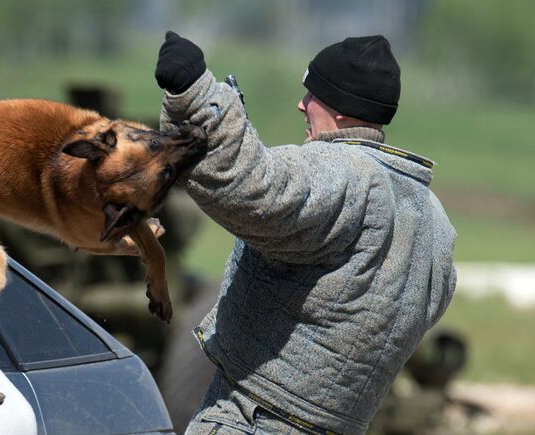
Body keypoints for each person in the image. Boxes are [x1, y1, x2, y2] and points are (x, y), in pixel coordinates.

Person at [154, 32, 457, 435]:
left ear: (343, 108)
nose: (302, 104)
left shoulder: (343, 173)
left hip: (253, 418)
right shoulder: (433, 217)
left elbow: (251, 190)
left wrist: (195, 93)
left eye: (312, 95)